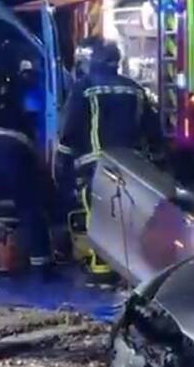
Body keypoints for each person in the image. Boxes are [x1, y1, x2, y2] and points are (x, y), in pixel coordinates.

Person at [53, 39, 161, 229]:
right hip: (132, 168)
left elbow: (70, 128)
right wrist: (158, 162)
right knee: (129, 222)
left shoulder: (84, 88)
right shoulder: (135, 89)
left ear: (93, 61)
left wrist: (63, 165)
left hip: (96, 167)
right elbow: (152, 131)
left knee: (100, 222)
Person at [0, 88, 51, 280]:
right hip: (13, 153)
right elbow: (35, 162)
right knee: (30, 208)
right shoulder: (24, 123)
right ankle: (41, 265)